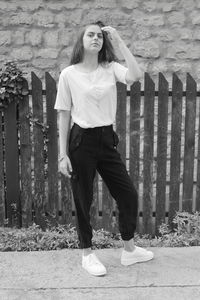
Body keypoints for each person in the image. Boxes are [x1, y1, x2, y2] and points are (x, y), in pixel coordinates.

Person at [54, 21, 154, 276]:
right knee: (83, 197)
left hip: (106, 139)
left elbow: (135, 75)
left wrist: (119, 41)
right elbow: (64, 114)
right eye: (91, 35)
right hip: (81, 141)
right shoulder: (69, 74)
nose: (96, 38)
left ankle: (129, 250)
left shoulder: (110, 68)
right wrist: (62, 154)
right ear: (82, 41)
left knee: (128, 193)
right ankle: (87, 253)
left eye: (100, 36)